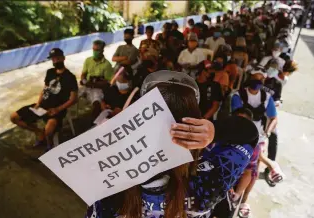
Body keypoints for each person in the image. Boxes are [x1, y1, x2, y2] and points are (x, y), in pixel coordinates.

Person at [85, 70, 259, 218]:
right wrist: (215, 131)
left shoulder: (109, 178)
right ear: (193, 124)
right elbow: (250, 136)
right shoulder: (209, 180)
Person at [231, 68, 284, 217]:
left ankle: (244, 200)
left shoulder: (267, 98)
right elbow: (237, 116)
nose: (258, 82)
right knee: (238, 165)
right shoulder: (238, 96)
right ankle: (232, 194)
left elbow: (274, 118)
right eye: (255, 78)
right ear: (250, 77)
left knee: (252, 170)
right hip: (239, 136)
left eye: (261, 79)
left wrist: (266, 133)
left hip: (259, 137)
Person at [10, 48, 78, 150]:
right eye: (53, 59)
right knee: (14, 117)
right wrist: (38, 103)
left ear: (63, 58)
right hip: (42, 106)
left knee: (49, 130)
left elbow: (73, 99)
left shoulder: (70, 77)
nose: (55, 61)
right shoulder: (50, 72)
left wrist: (58, 109)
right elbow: (45, 89)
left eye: (57, 58)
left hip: (56, 109)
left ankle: (49, 146)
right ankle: (39, 132)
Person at [80, 40, 113, 122]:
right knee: (72, 95)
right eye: (93, 50)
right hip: (86, 86)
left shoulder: (107, 65)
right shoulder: (88, 60)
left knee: (96, 101)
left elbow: (108, 82)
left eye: (97, 50)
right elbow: (83, 73)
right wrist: (83, 80)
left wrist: (94, 84)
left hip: (97, 88)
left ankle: (93, 122)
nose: (95, 52)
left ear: (102, 50)